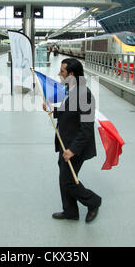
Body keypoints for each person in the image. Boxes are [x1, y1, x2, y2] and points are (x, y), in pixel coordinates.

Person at [42, 58, 102, 223]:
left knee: (68, 181)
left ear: (72, 74)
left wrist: (72, 150)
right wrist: (52, 109)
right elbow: (68, 110)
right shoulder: (73, 89)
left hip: (76, 147)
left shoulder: (85, 95)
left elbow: (87, 128)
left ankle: (94, 201)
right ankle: (70, 211)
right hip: (66, 144)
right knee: (64, 179)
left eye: (62, 71)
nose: (59, 74)